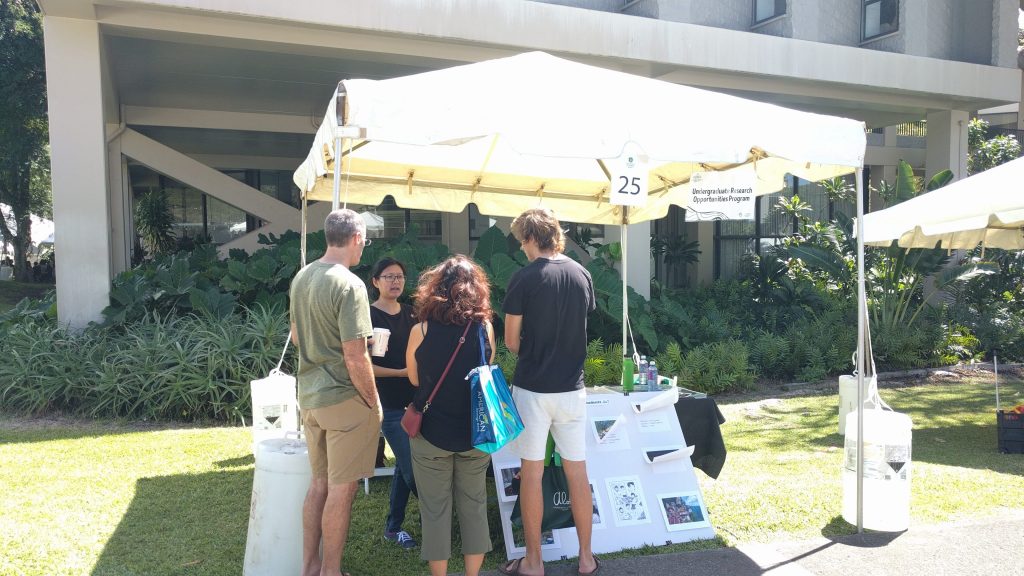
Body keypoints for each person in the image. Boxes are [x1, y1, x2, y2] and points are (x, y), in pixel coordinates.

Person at [500, 208, 599, 576]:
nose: (521, 247)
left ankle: (534, 561)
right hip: (573, 389)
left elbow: (511, 341)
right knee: (577, 473)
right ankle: (586, 558)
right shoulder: (582, 273)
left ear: (529, 238)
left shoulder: (524, 278)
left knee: (532, 474)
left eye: (521, 240)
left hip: (533, 388)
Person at [289, 208, 382, 576]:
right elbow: (356, 356)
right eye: (365, 241)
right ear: (356, 238)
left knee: (319, 485)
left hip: (309, 396)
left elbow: (296, 335)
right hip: (344, 397)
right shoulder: (350, 284)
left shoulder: (302, 277)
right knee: (342, 491)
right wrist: (373, 402)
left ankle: (310, 568)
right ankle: (331, 572)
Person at [406, 255, 496, 576]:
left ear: (435, 288)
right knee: (473, 508)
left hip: (431, 435)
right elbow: (484, 372)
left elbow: (415, 380)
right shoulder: (484, 328)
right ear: (477, 290)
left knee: (435, 510)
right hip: (474, 434)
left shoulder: (421, 329)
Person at [367, 257, 419, 549]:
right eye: (388, 277)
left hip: (417, 403)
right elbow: (364, 365)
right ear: (375, 282)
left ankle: (393, 527)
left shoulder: (413, 314)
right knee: (414, 470)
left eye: (399, 276)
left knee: (403, 464)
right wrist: (402, 372)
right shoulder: (368, 317)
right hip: (388, 403)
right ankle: (436, 519)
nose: (395, 281)